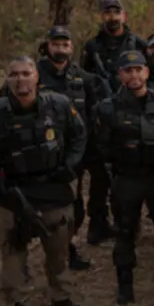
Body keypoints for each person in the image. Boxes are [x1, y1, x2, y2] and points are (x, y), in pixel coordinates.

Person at [0, 57, 89, 306]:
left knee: (58, 253)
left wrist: (69, 167)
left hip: (53, 191)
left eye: (26, 73)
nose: (21, 80)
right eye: (14, 74)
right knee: (13, 256)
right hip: (15, 196)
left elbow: (79, 136)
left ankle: (61, 298)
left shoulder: (59, 104)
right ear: (6, 79)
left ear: (37, 77)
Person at [93, 50, 154, 305]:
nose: (134, 75)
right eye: (128, 70)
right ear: (120, 75)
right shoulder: (107, 107)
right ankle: (125, 285)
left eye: (138, 69)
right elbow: (102, 147)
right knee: (124, 232)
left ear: (146, 71)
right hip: (127, 178)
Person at [33, 26, 112, 258]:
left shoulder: (81, 76)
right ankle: (59, 250)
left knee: (86, 193)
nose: (60, 49)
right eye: (56, 44)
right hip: (49, 150)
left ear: (72, 48)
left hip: (82, 147)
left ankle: (77, 241)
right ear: (47, 46)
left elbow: (98, 108)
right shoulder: (34, 74)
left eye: (65, 45)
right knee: (58, 202)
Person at [82, 0, 147, 91]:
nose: (112, 17)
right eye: (108, 13)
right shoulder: (92, 46)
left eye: (117, 12)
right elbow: (84, 77)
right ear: (102, 16)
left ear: (124, 16)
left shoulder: (138, 44)